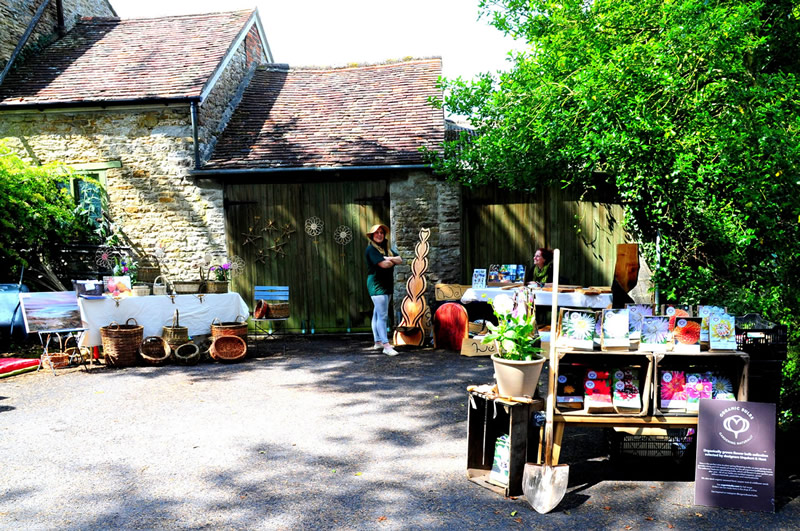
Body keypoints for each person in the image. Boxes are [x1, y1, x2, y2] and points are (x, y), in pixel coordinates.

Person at [365, 223, 403, 356]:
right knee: (382, 315)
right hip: (377, 285)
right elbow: (385, 265)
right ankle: (386, 346)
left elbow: (400, 260)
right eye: (377, 233)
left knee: (377, 313)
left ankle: (378, 342)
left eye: (381, 232)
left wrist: (389, 258)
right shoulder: (371, 250)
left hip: (387, 285)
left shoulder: (387, 249)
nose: (379, 235)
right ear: (372, 236)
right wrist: (388, 260)